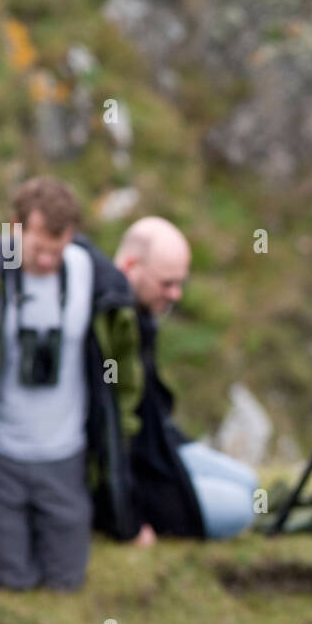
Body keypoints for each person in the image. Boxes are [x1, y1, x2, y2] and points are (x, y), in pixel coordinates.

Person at [0, 177, 142, 590]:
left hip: (67, 457)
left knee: (65, 581)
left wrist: (120, 432)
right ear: (14, 227)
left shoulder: (96, 279)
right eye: (38, 249)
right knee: (9, 580)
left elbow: (125, 369)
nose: (46, 262)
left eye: (57, 252)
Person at [114, 216, 258, 543]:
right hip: (142, 473)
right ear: (130, 266)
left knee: (250, 484)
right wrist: (129, 519)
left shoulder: (141, 317)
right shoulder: (113, 322)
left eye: (180, 283)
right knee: (242, 508)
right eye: (166, 284)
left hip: (161, 447)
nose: (176, 294)